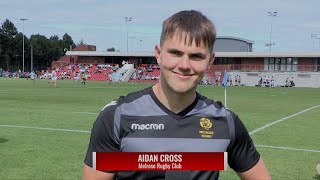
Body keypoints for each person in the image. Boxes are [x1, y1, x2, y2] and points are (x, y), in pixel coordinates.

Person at [83, 10, 270, 180]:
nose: (184, 65)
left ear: (210, 60)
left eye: (196, 56)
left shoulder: (225, 121)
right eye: (175, 53)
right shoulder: (117, 116)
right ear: (159, 54)